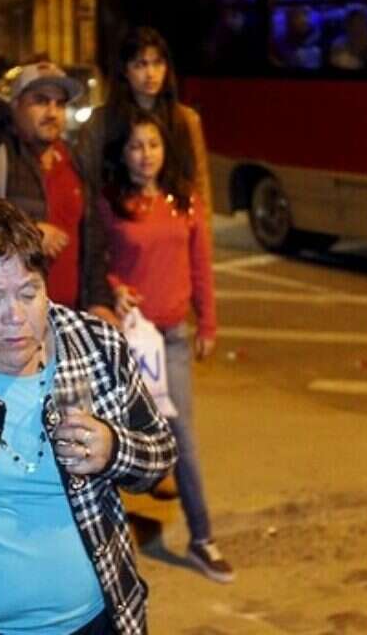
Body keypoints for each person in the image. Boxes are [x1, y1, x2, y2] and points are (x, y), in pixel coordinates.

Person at [0, 197, 177, 634]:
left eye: (29, 293)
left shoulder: (96, 345)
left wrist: (114, 448)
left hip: (100, 619)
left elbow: (160, 457)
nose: (15, 317)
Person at [97, 109, 233, 584]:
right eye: (135, 146)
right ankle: (105, 546)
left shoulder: (185, 201)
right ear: (123, 153)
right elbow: (98, 260)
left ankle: (202, 538)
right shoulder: (111, 203)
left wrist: (207, 322)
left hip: (171, 341)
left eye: (153, 145)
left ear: (165, 150)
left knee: (182, 438)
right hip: (124, 341)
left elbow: (201, 266)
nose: (145, 155)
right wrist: (114, 287)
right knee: (111, 441)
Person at [0, 61, 116, 324]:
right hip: (8, 321)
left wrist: (100, 302)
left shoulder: (75, 162)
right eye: (41, 101)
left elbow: (93, 244)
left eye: (60, 104)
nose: (52, 112)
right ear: (16, 105)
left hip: (69, 319)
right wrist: (27, 232)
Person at [76, 27, 213, 224]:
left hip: (175, 226)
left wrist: (201, 234)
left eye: (157, 63)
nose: (150, 73)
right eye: (140, 64)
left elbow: (200, 187)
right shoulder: (101, 122)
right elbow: (89, 188)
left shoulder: (185, 120)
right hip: (120, 227)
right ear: (125, 70)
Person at [330, 5, 367, 70]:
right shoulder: (341, 52)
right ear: (349, 28)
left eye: (365, 24)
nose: (362, 29)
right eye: (356, 24)